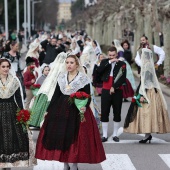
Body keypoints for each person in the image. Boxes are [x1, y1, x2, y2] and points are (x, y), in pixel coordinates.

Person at [35, 55, 106, 170]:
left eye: (71, 62)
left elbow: (87, 96)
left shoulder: (83, 79)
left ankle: (74, 165)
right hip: (61, 110)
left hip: (77, 111)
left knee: (74, 139)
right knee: (62, 137)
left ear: (77, 64)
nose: (69, 65)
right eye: (67, 62)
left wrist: (84, 106)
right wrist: (48, 110)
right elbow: (56, 95)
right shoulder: (61, 77)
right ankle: (65, 165)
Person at [124, 48, 170, 143]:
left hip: (147, 90)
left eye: (143, 55)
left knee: (146, 111)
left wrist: (142, 94)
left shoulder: (147, 66)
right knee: (149, 112)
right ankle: (147, 135)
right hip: (151, 90)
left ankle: (147, 135)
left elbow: (147, 81)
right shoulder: (149, 65)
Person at [0, 58, 36, 168]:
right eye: (3, 66)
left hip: (11, 109)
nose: (6, 69)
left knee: (11, 136)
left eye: (7, 66)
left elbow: (19, 97)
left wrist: (21, 112)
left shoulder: (14, 80)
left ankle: (9, 162)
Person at [97, 47, 126, 142]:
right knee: (105, 111)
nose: (112, 57)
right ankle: (105, 135)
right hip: (105, 90)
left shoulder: (122, 64)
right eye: (110, 55)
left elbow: (122, 78)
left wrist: (115, 86)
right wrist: (109, 62)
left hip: (117, 90)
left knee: (117, 112)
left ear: (117, 54)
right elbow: (99, 71)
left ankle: (115, 134)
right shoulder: (104, 62)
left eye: (113, 55)